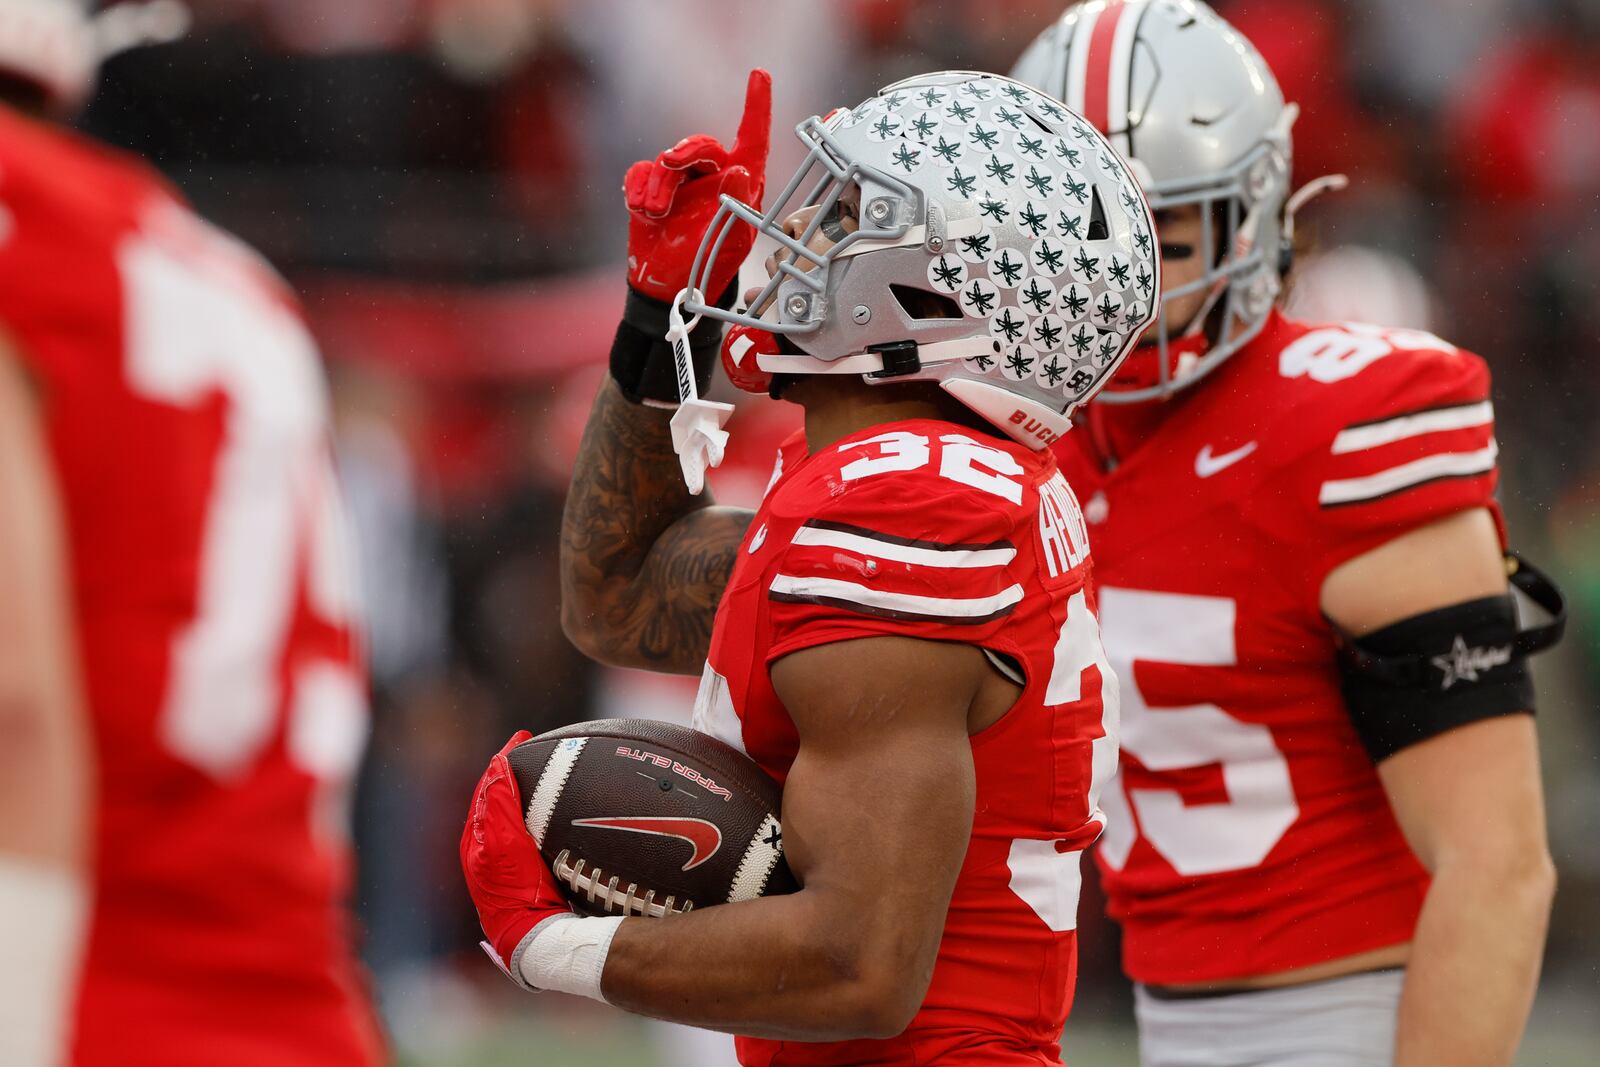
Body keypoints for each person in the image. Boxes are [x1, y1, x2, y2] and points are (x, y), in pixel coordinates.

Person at [461, 69, 1160, 1064]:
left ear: (929, 293)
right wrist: (667, 317)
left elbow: (859, 964)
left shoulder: (908, 505)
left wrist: (552, 946)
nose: (795, 235)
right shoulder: (912, 481)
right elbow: (621, 592)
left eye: (844, 218)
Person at [1011, 3, 1562, 1065]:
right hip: (1152, 1015)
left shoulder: (1349, 426)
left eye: (1161, 239)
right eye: (1078, 234)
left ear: (1250, 216)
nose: (1117, 282)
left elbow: (1495, 863)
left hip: (1347, 1020)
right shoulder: (1023, 436)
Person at [0, 3, 383, 1064]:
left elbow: (13, 702)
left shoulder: (27, 232)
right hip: (294, 1001)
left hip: (84, 987)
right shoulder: (216, 270)